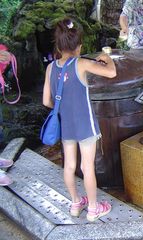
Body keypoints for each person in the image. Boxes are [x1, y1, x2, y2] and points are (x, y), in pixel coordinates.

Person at [42, 18, 117, 222]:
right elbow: (111, 72)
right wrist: (105, 56)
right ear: (79, 46)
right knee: (87, 167)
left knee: (69, 166)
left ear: (58, 45)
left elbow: (46, 101)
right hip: (85, 125)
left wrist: (65, 105)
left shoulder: (51, 68)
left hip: (66, 125)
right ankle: (93, 208)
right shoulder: (82, 63)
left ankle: (76, 203)